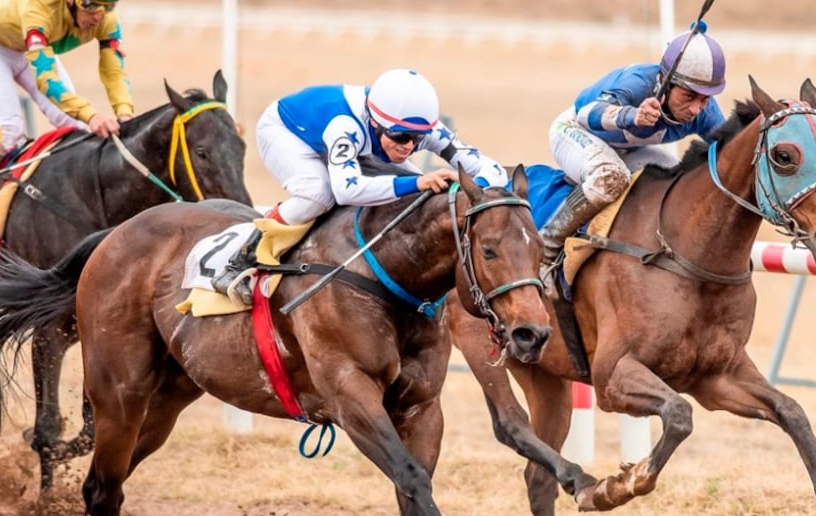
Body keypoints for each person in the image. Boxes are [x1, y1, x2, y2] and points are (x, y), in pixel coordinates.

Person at [211, 68, 508, 304]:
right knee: (318, 193)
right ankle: (241, 257)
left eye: (417, 140)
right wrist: (417, 181)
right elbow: (346, 190)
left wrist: (474, 187)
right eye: (400, 138)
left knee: (420, 195)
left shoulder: (418, 127)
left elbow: (493, 170)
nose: (409, 146)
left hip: (350, 141)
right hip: (287, 132)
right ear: (376, 124)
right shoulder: (346, 127)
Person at [0, 0, 134, 240]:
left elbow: (113, 70)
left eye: (108, 6)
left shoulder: (104, 19)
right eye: (89, 5)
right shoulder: (39, 7)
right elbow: (47, 80)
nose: (98, 15)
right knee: (7, 128)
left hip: (28, 46)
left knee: (77, 128)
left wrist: (124, 111)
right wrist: (92, 114)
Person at [541, 22, 727, 264]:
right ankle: (545, 248)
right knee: (610, 176)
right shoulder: (638, 82)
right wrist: (631, 115)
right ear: (664, 81)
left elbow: (728, 148)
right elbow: (587, 114)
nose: (695, 109)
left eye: (704, 99)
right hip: (573, 131)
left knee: (676, 180)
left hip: (626, 149)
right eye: (689, 95)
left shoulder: (705, 111)